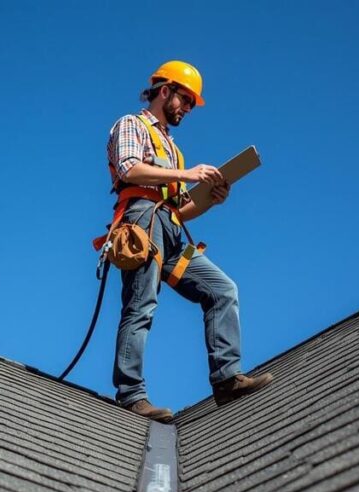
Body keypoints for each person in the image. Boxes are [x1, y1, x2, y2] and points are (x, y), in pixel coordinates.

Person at [104, 60, 274, 423]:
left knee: (222, 290)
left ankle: (227, 379)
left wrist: (210, 197)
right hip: (142, 223)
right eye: (186, 100)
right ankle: (131, 395)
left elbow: (182, 209)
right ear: (164, 91)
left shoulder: (172, 149)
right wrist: (188, 172)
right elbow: (129, 168)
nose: (188, 109)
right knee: (141, 305)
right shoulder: (132, 125)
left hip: (169, 228)